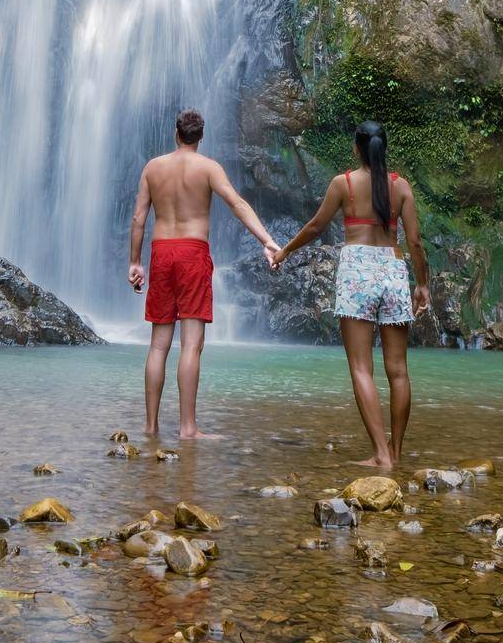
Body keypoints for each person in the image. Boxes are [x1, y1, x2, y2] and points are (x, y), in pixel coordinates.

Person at [274, 120, 430, 469]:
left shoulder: (342, 184)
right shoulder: (401, 186)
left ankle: (380, 454)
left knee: (361, 368)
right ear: (383, 148)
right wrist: (422, 285)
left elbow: (316, 226)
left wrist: (285, 251)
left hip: (357, 271)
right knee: (399, 371)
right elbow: (415, 242)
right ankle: (396, 452)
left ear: (356, 148)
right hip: (392, 267)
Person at [129, 108, 280, 438]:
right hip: (193, 254)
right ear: (201, 136)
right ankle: (187, 428)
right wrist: (267, 241)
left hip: (161, 252)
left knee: (158, 346)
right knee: (191, 346)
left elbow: (139, 219)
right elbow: (237, 204)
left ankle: (151, 426)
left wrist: (135, 263)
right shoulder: (209, 168)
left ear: (176, 133)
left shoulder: (153, 168)